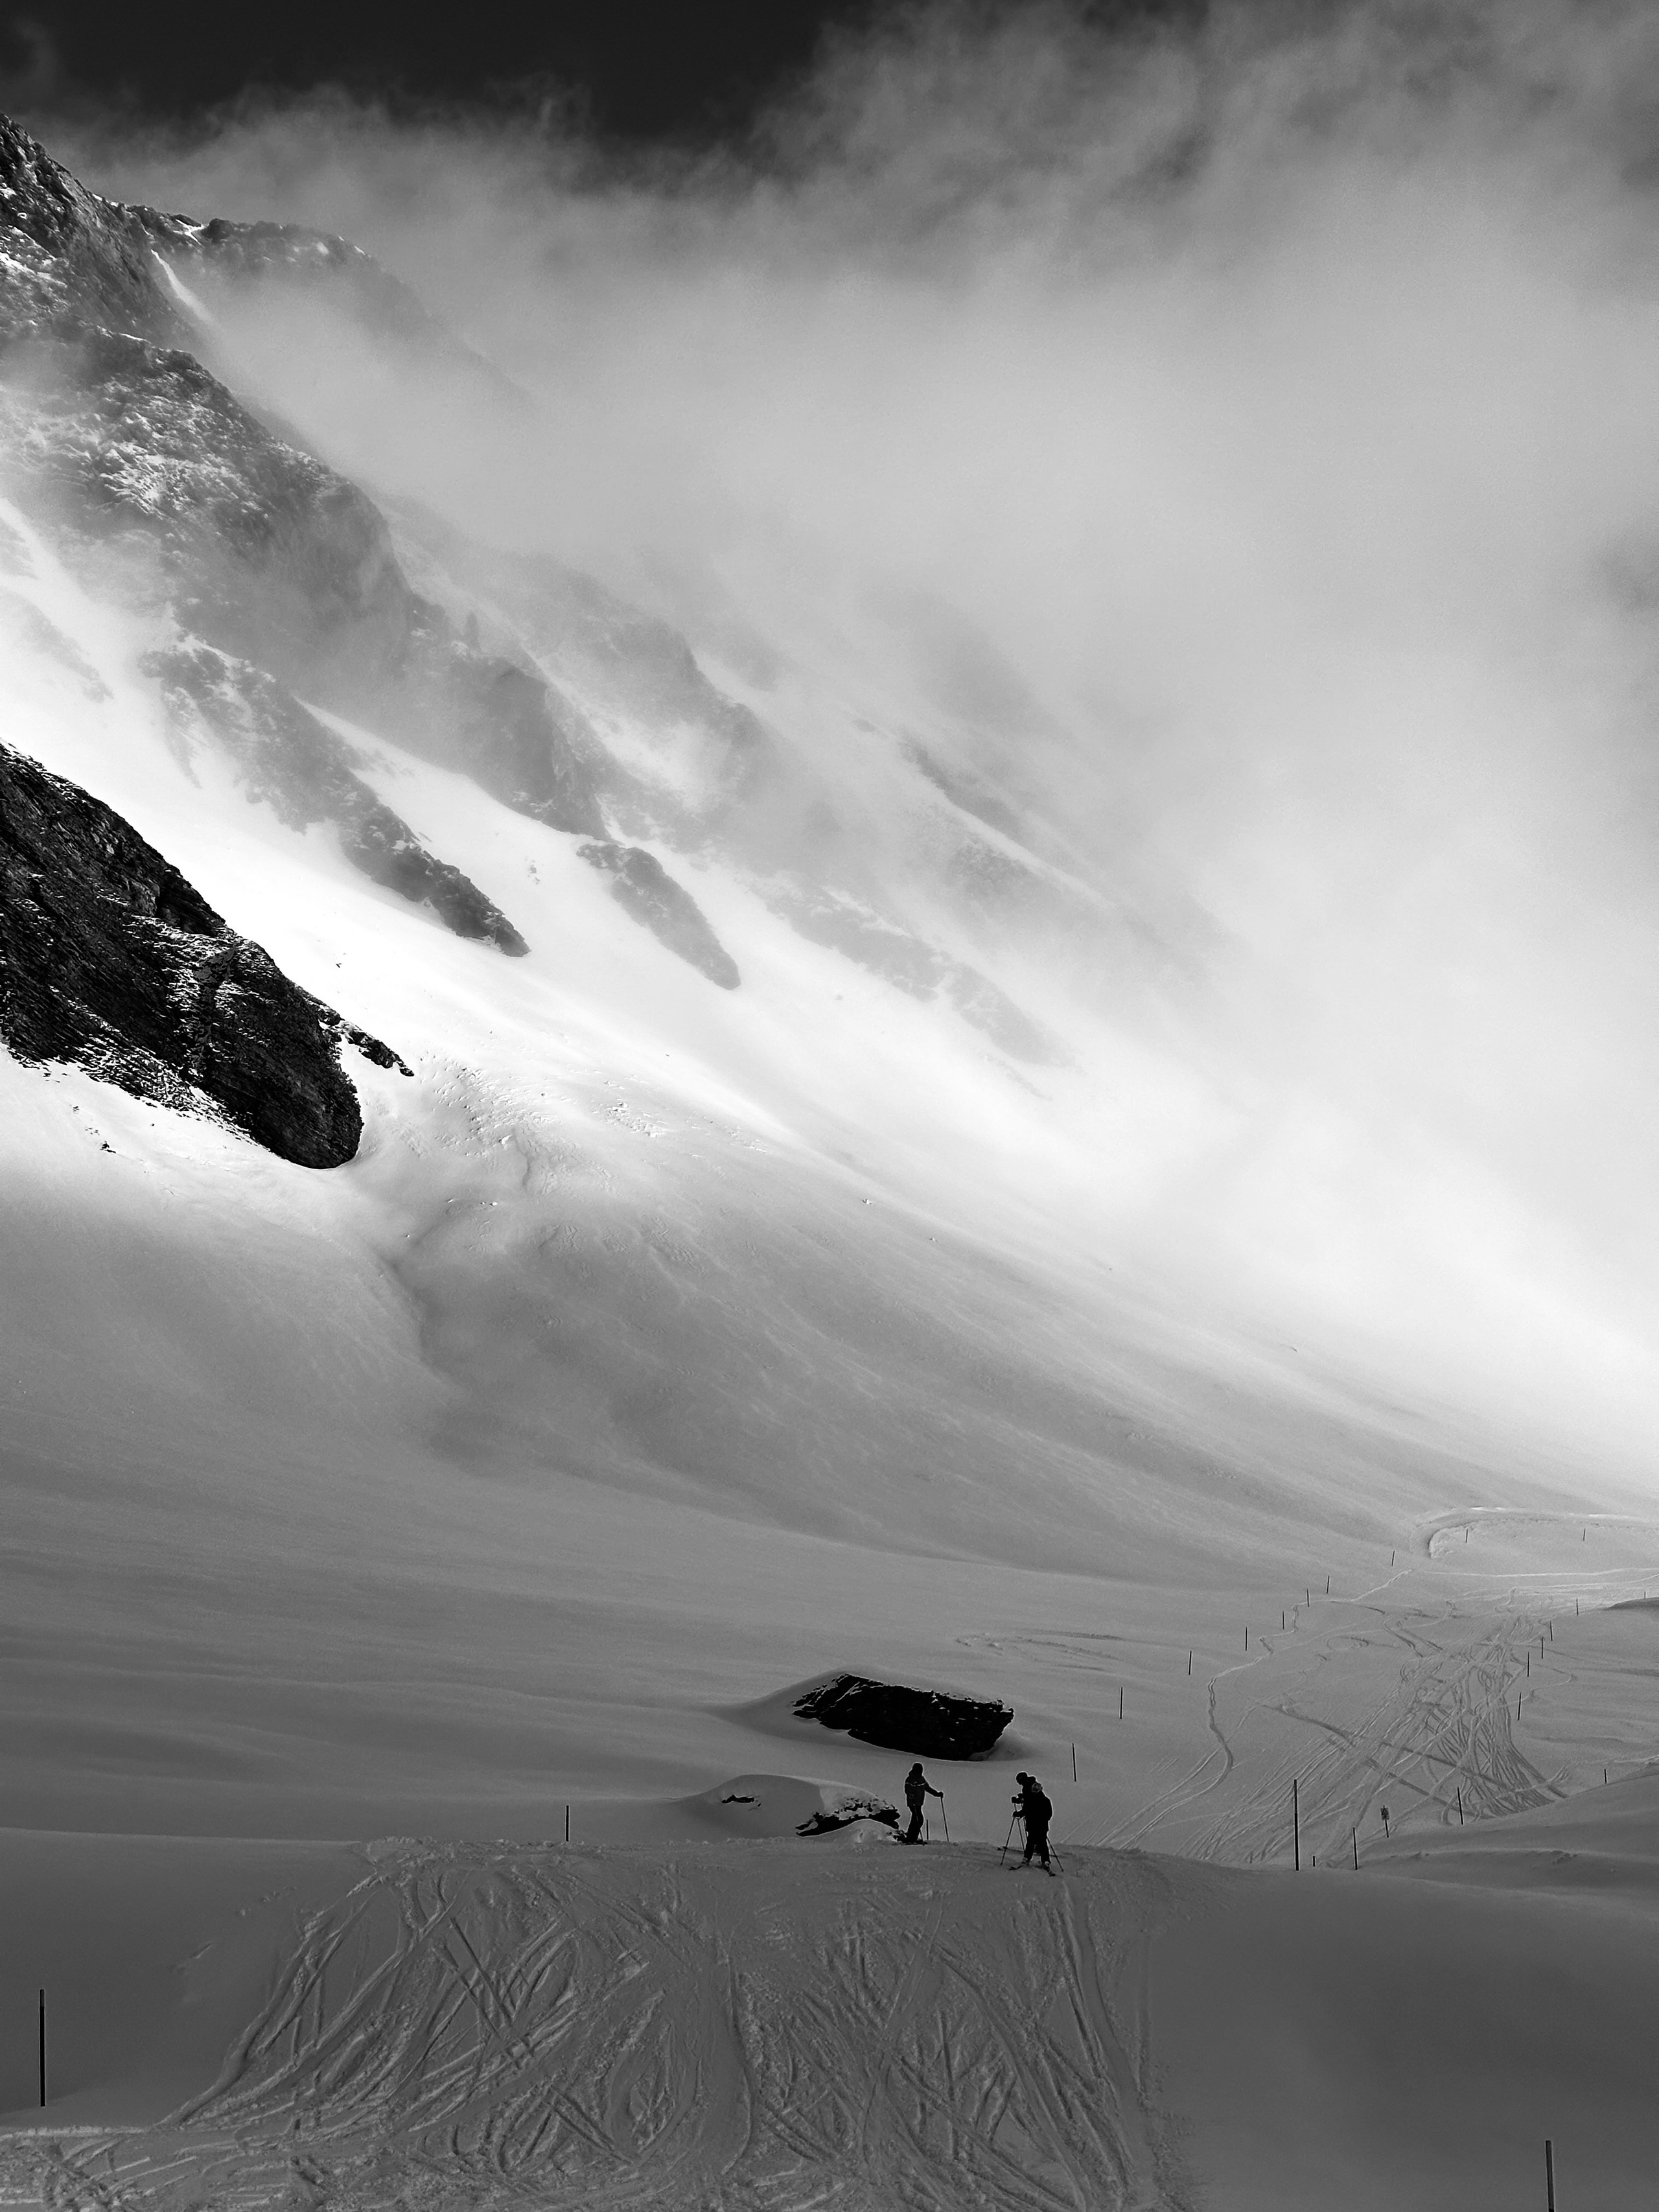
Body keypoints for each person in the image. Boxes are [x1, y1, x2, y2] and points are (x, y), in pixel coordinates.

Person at [1014, 1771, 1053, 1872]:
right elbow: (1049, 1814)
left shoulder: (1032, 1799)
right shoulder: (1045, 1800)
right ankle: (1045, 1860)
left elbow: (1027, 1808)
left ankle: (1028, 1858)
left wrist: (1019, 1813)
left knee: (1032, 1841)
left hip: (1034, 1823)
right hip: (1040, 1824)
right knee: (1040, 1842)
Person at [902, 1762, 942, 1843]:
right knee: (919, 1820)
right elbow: (907, 1789)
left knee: (916, 1820)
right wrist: (911, 1795)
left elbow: (927, 1788)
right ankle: (911, 1838)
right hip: (913, 1804)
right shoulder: (910, 1779)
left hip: (919, 1803)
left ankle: (911, 1838)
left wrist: (937, 1794)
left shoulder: (921, 1779)